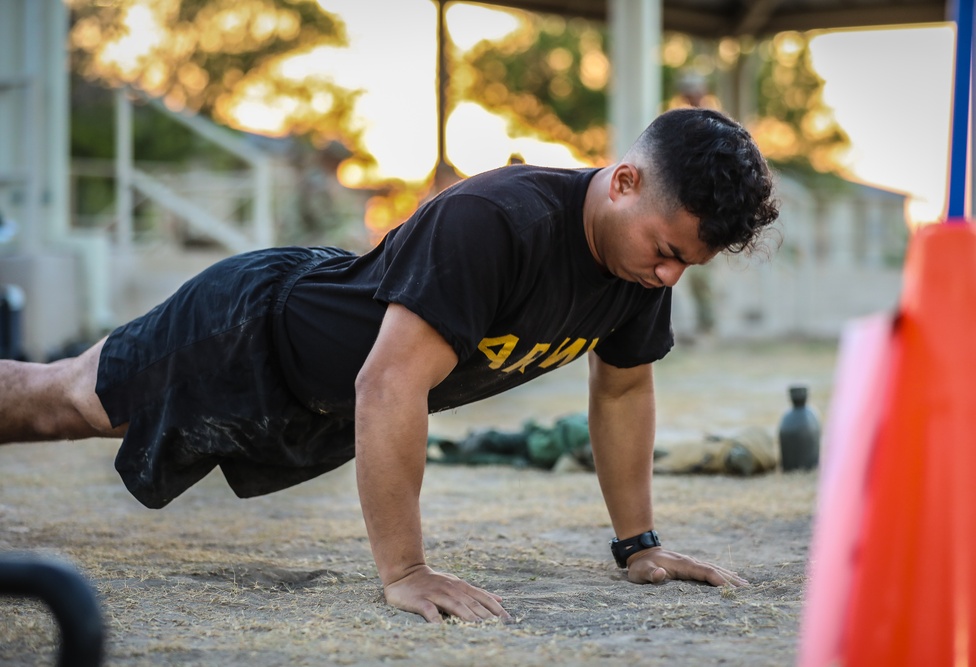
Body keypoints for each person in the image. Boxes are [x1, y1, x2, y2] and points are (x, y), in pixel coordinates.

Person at [0, 107, 779, 623]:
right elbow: (389, 380)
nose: (670, 277)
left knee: (67, 407)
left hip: (320, 404)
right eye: (668, 252)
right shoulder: (499, 222)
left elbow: (622, 388)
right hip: (251, 330)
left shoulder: (636, 269)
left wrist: (637, 544)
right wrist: (405, 571)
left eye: (689, 264)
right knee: (59, 403)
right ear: (624, 182)